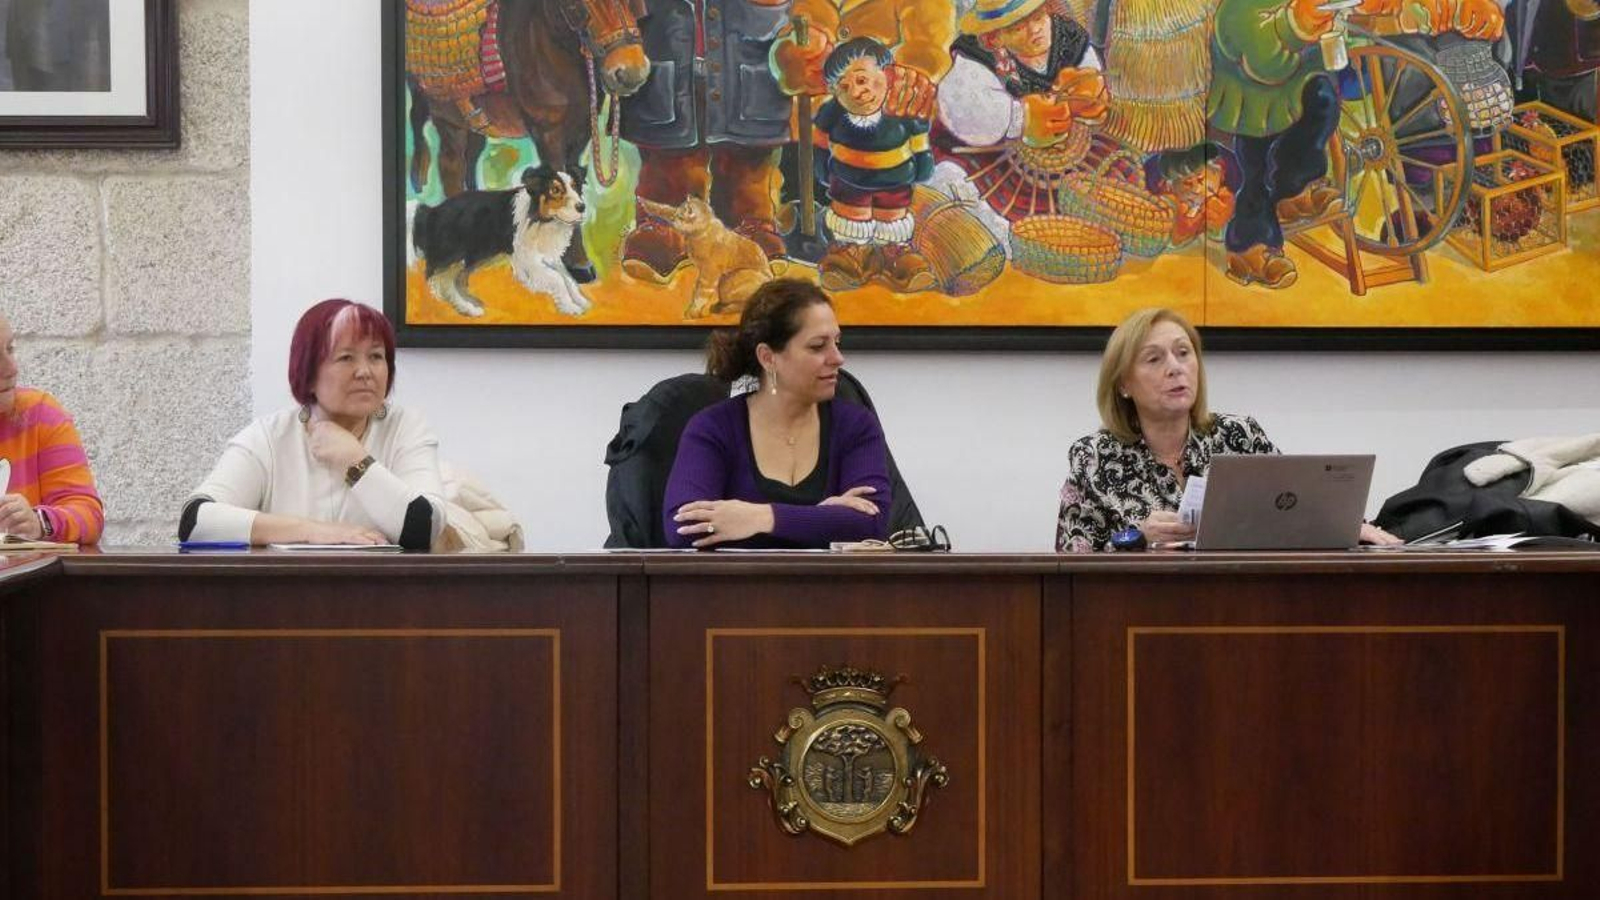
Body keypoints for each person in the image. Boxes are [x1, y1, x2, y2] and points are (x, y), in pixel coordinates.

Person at [1056, 307, 1399, 551]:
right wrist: (1139, 538)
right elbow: (1071, 554)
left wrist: (1346, 526)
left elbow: (1297, 505)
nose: (1175, 368)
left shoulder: (1239, 435)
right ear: (1123, 384)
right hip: (1144, 609)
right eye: (1154, 359)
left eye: (1183, 353)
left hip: (1245, 602)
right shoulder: (1094, 456)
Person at [180, 300, 446, 549]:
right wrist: (312, 531)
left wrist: (354, 461)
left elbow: (425, 529)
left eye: (376, 356)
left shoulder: (404, 428)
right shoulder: (270, 437)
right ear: (308, 373)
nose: (365, 372)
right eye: (346, 357)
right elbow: (194, 522)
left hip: (383, 585)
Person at [663, 278, 891, 549]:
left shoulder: (855, 426)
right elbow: (683, 528)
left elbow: (872, 524)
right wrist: (822, 519)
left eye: (837, 343)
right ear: (768, 357)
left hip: (831, 580)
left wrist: (760, 517)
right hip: (739, 579)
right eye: (818, 346)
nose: (837, 358)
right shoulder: (713, 428)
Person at [814, 37, 936, 292]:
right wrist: (821, 167)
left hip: (895, 181)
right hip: (848, 183)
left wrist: (923, 163)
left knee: (892, 221)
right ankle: (851, 254)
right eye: (844, 87)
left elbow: (919, 137)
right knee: (851, 221)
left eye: (861, 80)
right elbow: (820, 140)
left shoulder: (900, 109)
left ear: (887, 75)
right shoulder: (833, 112)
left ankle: (894, 255)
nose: (855, 93)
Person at [0, 311, 104, 543]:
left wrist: (40, 523)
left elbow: (90, 516)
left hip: (28, 569)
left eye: (10, 349)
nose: (12, 368)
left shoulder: (41, 415)